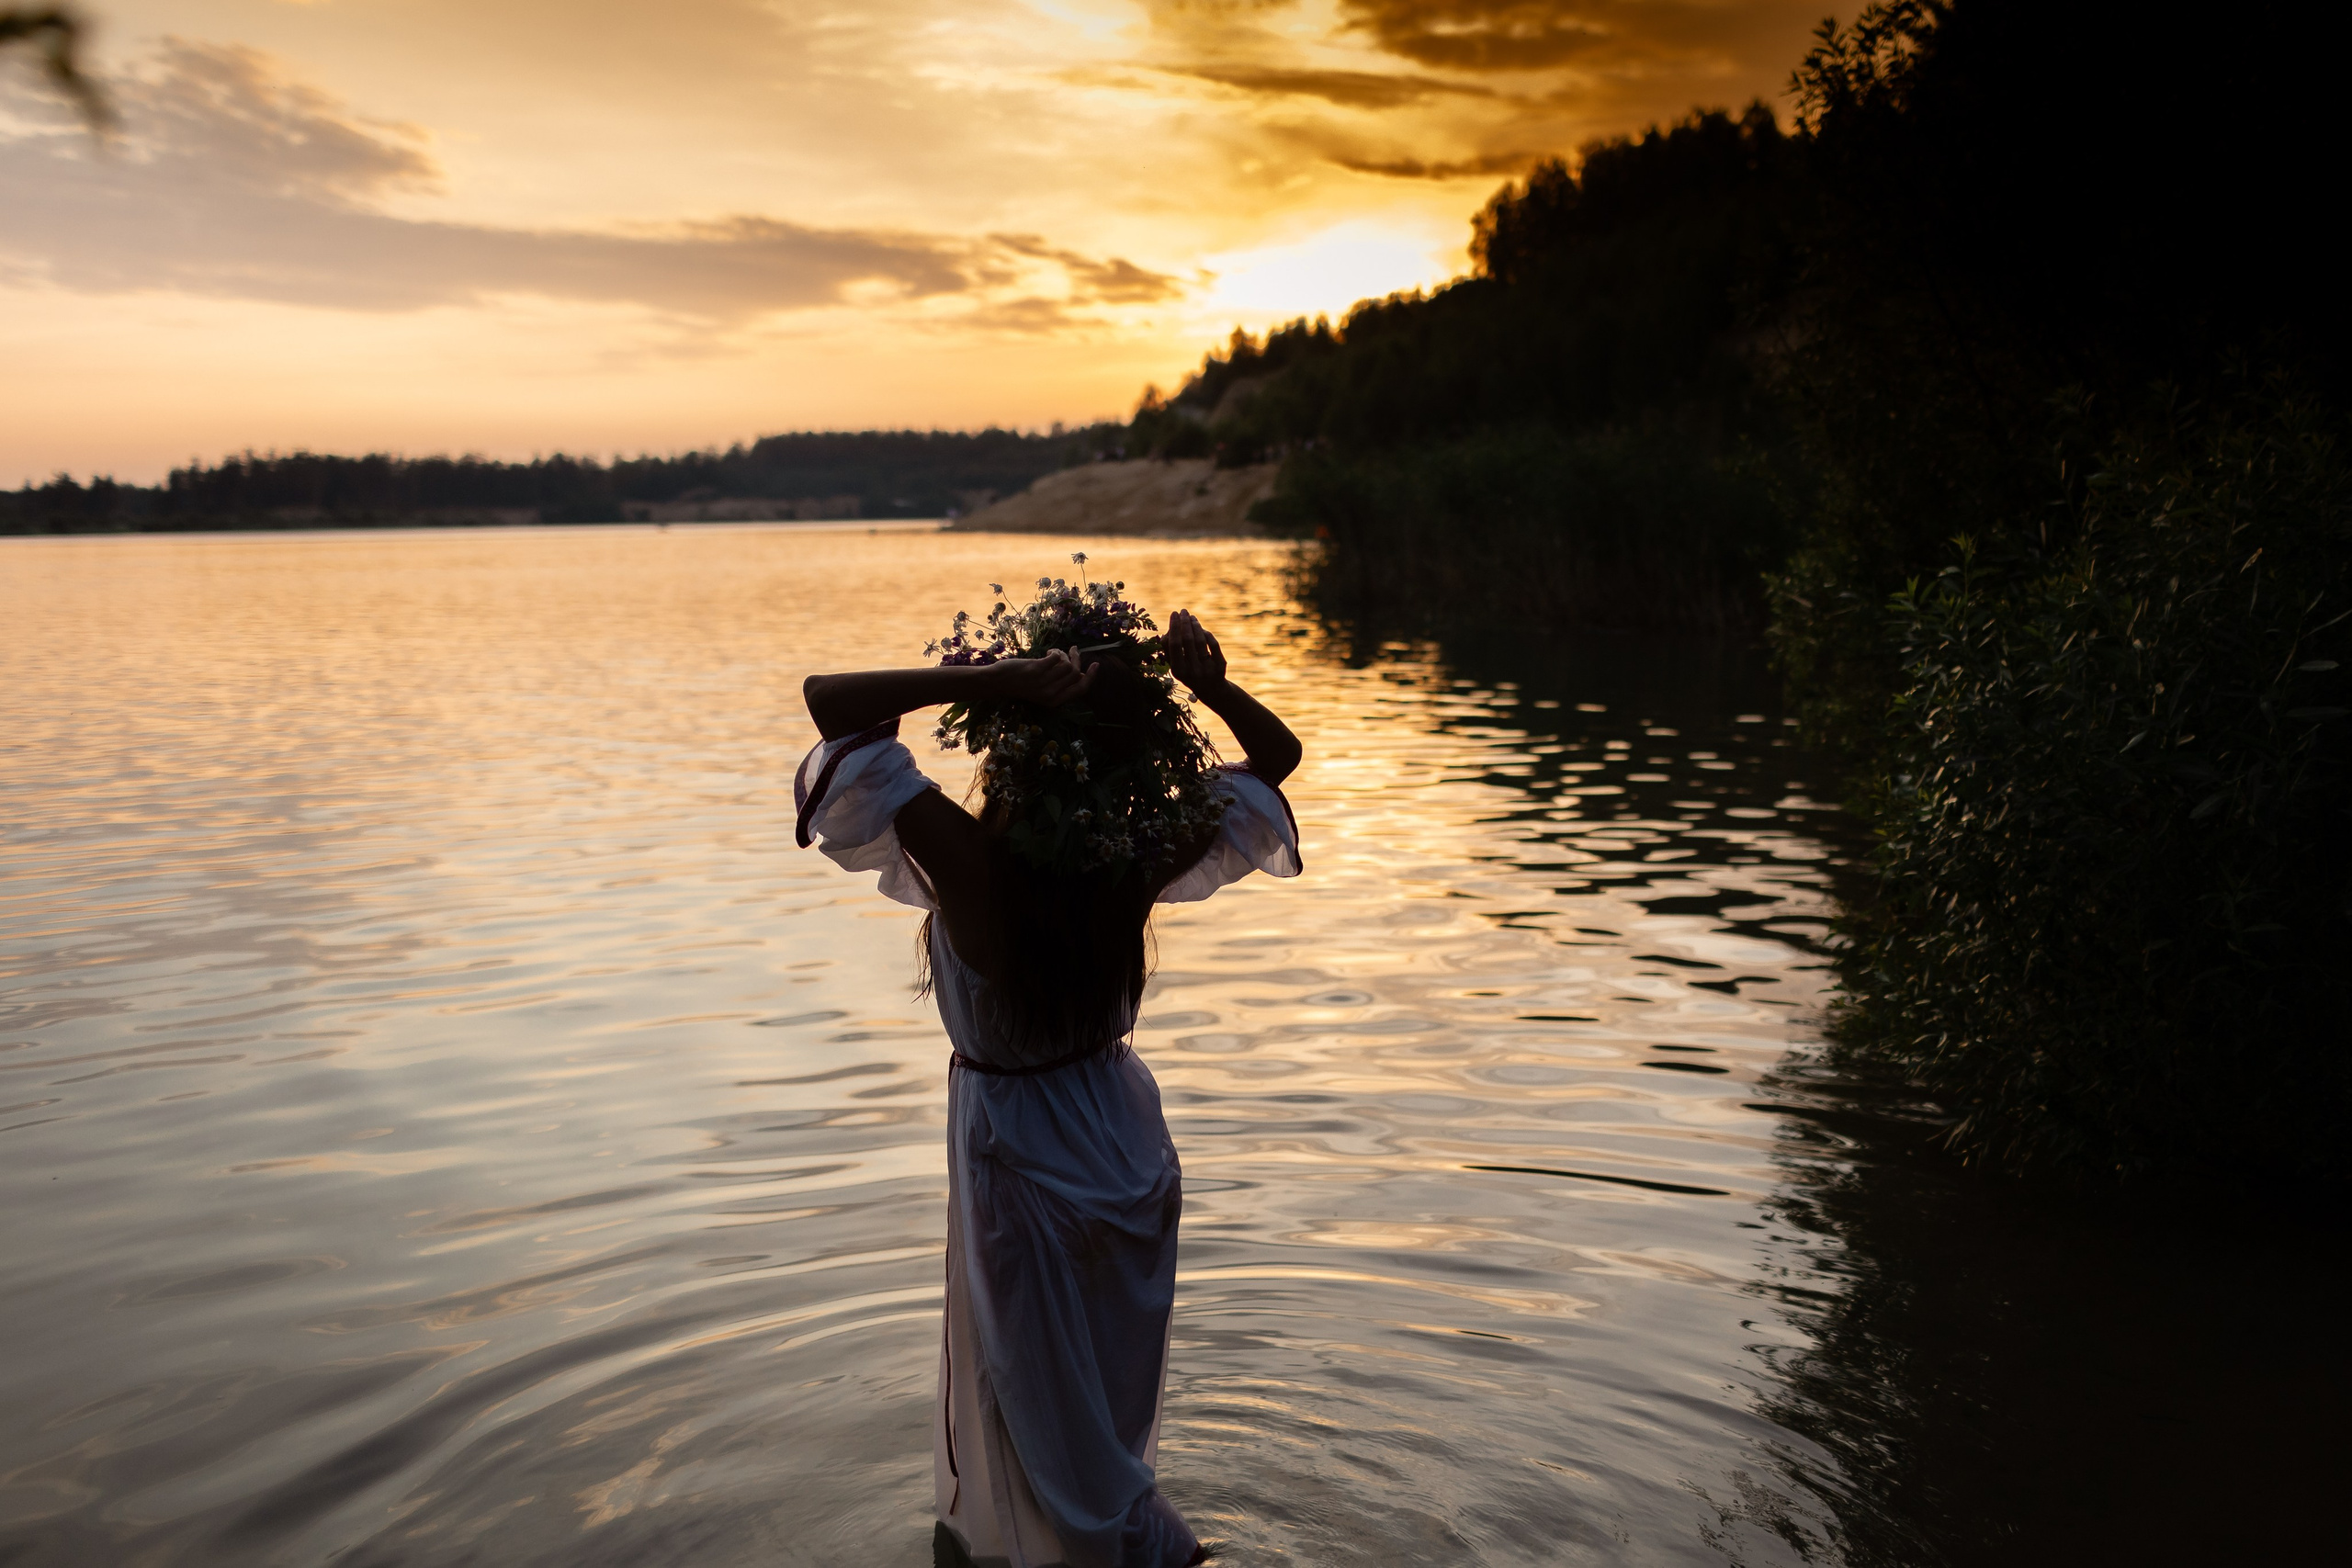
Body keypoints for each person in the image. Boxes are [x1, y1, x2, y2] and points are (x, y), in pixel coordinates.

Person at [797, 582, 1302, 1568]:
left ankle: (1157, 1558)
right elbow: (1274, 763)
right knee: (1099, 1430)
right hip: (1123, 1142)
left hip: (1021, 1151)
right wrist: (1213, 687)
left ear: (1015, 744)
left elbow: (830, 701)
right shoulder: (1137, 848)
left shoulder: (970, 861)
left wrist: (1003, 676)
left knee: (1056, 1443)